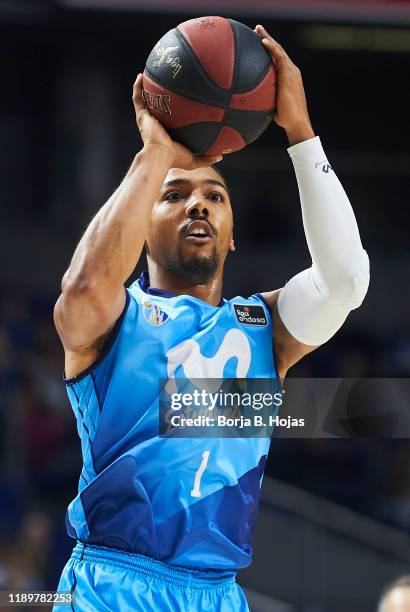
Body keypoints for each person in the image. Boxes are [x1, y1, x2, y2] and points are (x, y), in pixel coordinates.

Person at [53, 25, 369, 612]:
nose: (198, 203)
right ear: (141, 226)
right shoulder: (115, 319)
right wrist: (156, 155)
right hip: (113, 583)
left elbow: (346, 280)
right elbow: (84, 287)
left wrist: (300, 134)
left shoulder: (264, 330)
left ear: (232, 238)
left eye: (215, 196)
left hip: (217, 594)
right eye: (173, 196)